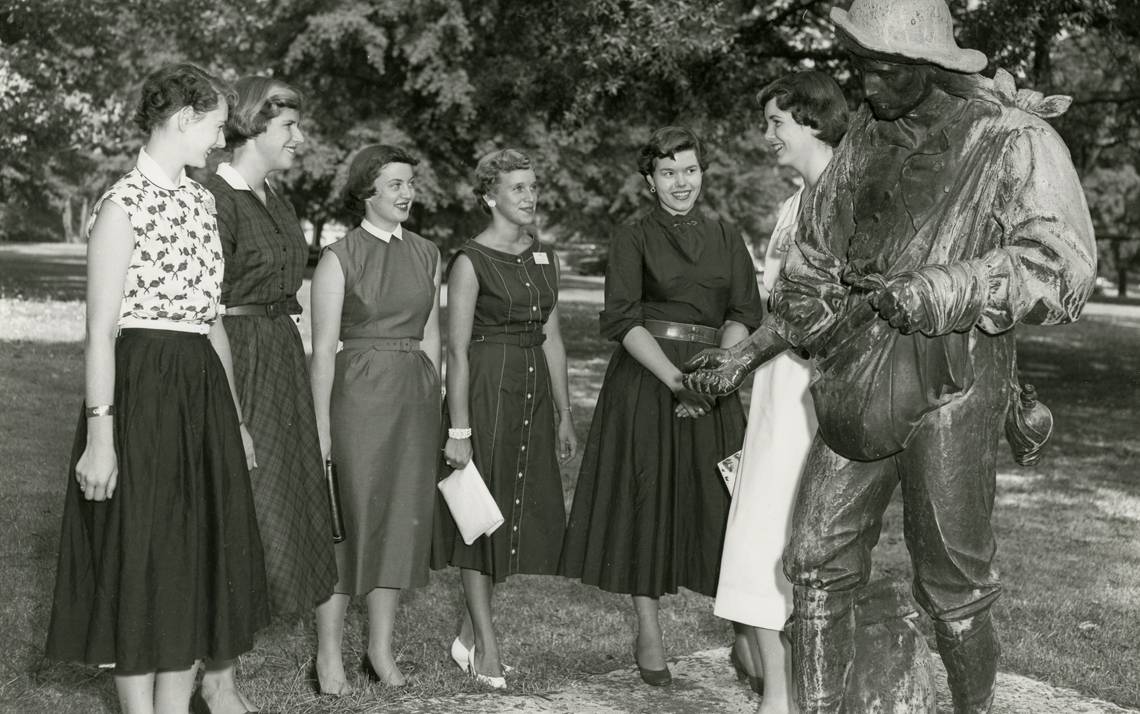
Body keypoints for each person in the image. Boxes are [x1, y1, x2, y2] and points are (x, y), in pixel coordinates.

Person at [683, 1, 1097, 711]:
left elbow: (1063, 264)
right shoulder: (865, 143)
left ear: (929, 67)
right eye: (862, 69)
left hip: (955, 384)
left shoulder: (1010, 140)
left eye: (883, 70)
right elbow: (813, 263)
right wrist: (748, 353)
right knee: (812, 561)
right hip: (860, 382)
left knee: (953, 586)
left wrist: (947, 286)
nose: (866, 88)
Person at [44, 63, 269, 714]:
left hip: (200, 394)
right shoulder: (122, 207)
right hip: (141, 392)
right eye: (217, 127)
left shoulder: (203, 202)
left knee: (189, 564)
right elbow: (101, 333)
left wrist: (234, 419)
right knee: (142, 554)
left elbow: (212, 323)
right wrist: (100, 438)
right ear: (182, 121)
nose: (221, 140)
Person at [560, 126, 764, 686]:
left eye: (691, 170)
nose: (682, 182)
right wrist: (678, 382)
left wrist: (715, 378)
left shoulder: (727, 235)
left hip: (715, 382)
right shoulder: (631, 237)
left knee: (727, 505)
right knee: (646, 500)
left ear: (703, 173)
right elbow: (622, 319)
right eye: (669, 172)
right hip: (650, 381)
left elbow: (744, 311)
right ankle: (648, 629)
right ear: (650, 181)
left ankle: (745, 635)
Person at [199, 75, 337, 713]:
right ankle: (217, 679)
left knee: (280, 510)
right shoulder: (214, 197)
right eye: (289, 127)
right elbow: (209, 309)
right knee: (239, 511)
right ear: (254, 125)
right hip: (237, 359)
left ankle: (223, 672)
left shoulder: (275, 198)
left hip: (280, 355)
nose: (300, 139)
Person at [713, 71, 848, 714]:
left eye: (776, 122)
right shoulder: (793, 205)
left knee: (799, 538)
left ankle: (793, 693)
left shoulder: (849, 200)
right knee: (757, 533)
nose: (767, 135)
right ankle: (779, 689)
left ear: (814, 121)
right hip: (775, 386)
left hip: (819, 390)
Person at [432, 148, 577, 690]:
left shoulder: (545, 258)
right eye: (517, 188)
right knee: (480, 515)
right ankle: (486, 648)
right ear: (490, 196)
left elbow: (555, 339)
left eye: (533, 186)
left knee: (514, 512)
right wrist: (460, 429)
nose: (529, 196)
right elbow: (458, 350)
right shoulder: (469, 261)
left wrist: (564, 414)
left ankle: (467, 634)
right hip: (490, 388)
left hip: (534, 393)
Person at [309, 144, 442, 691]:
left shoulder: (430, 253)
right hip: (357, 399)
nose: (406, 193)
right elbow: (321, 352)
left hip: (414, 399)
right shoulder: (339, 257)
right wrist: (320, 428)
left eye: (410, 183)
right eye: (394, 184)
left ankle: (381, 652)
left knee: (398, 525)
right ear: (367, 191)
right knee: (349, 522)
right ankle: (328, 657)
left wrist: (437, 405)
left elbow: (432, 337)